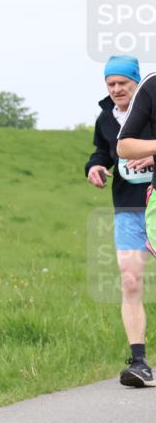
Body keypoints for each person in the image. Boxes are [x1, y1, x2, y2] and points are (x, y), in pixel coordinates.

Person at [86, 55, 156, 387]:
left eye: (122, 83)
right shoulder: (105, 118)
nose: (116, 89)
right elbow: (102, 150)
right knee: (130, 280)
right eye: (110, 84)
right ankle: (139, 361)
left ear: (136, 83)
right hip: (128, 207)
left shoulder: (152, 104)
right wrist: (94, 166)